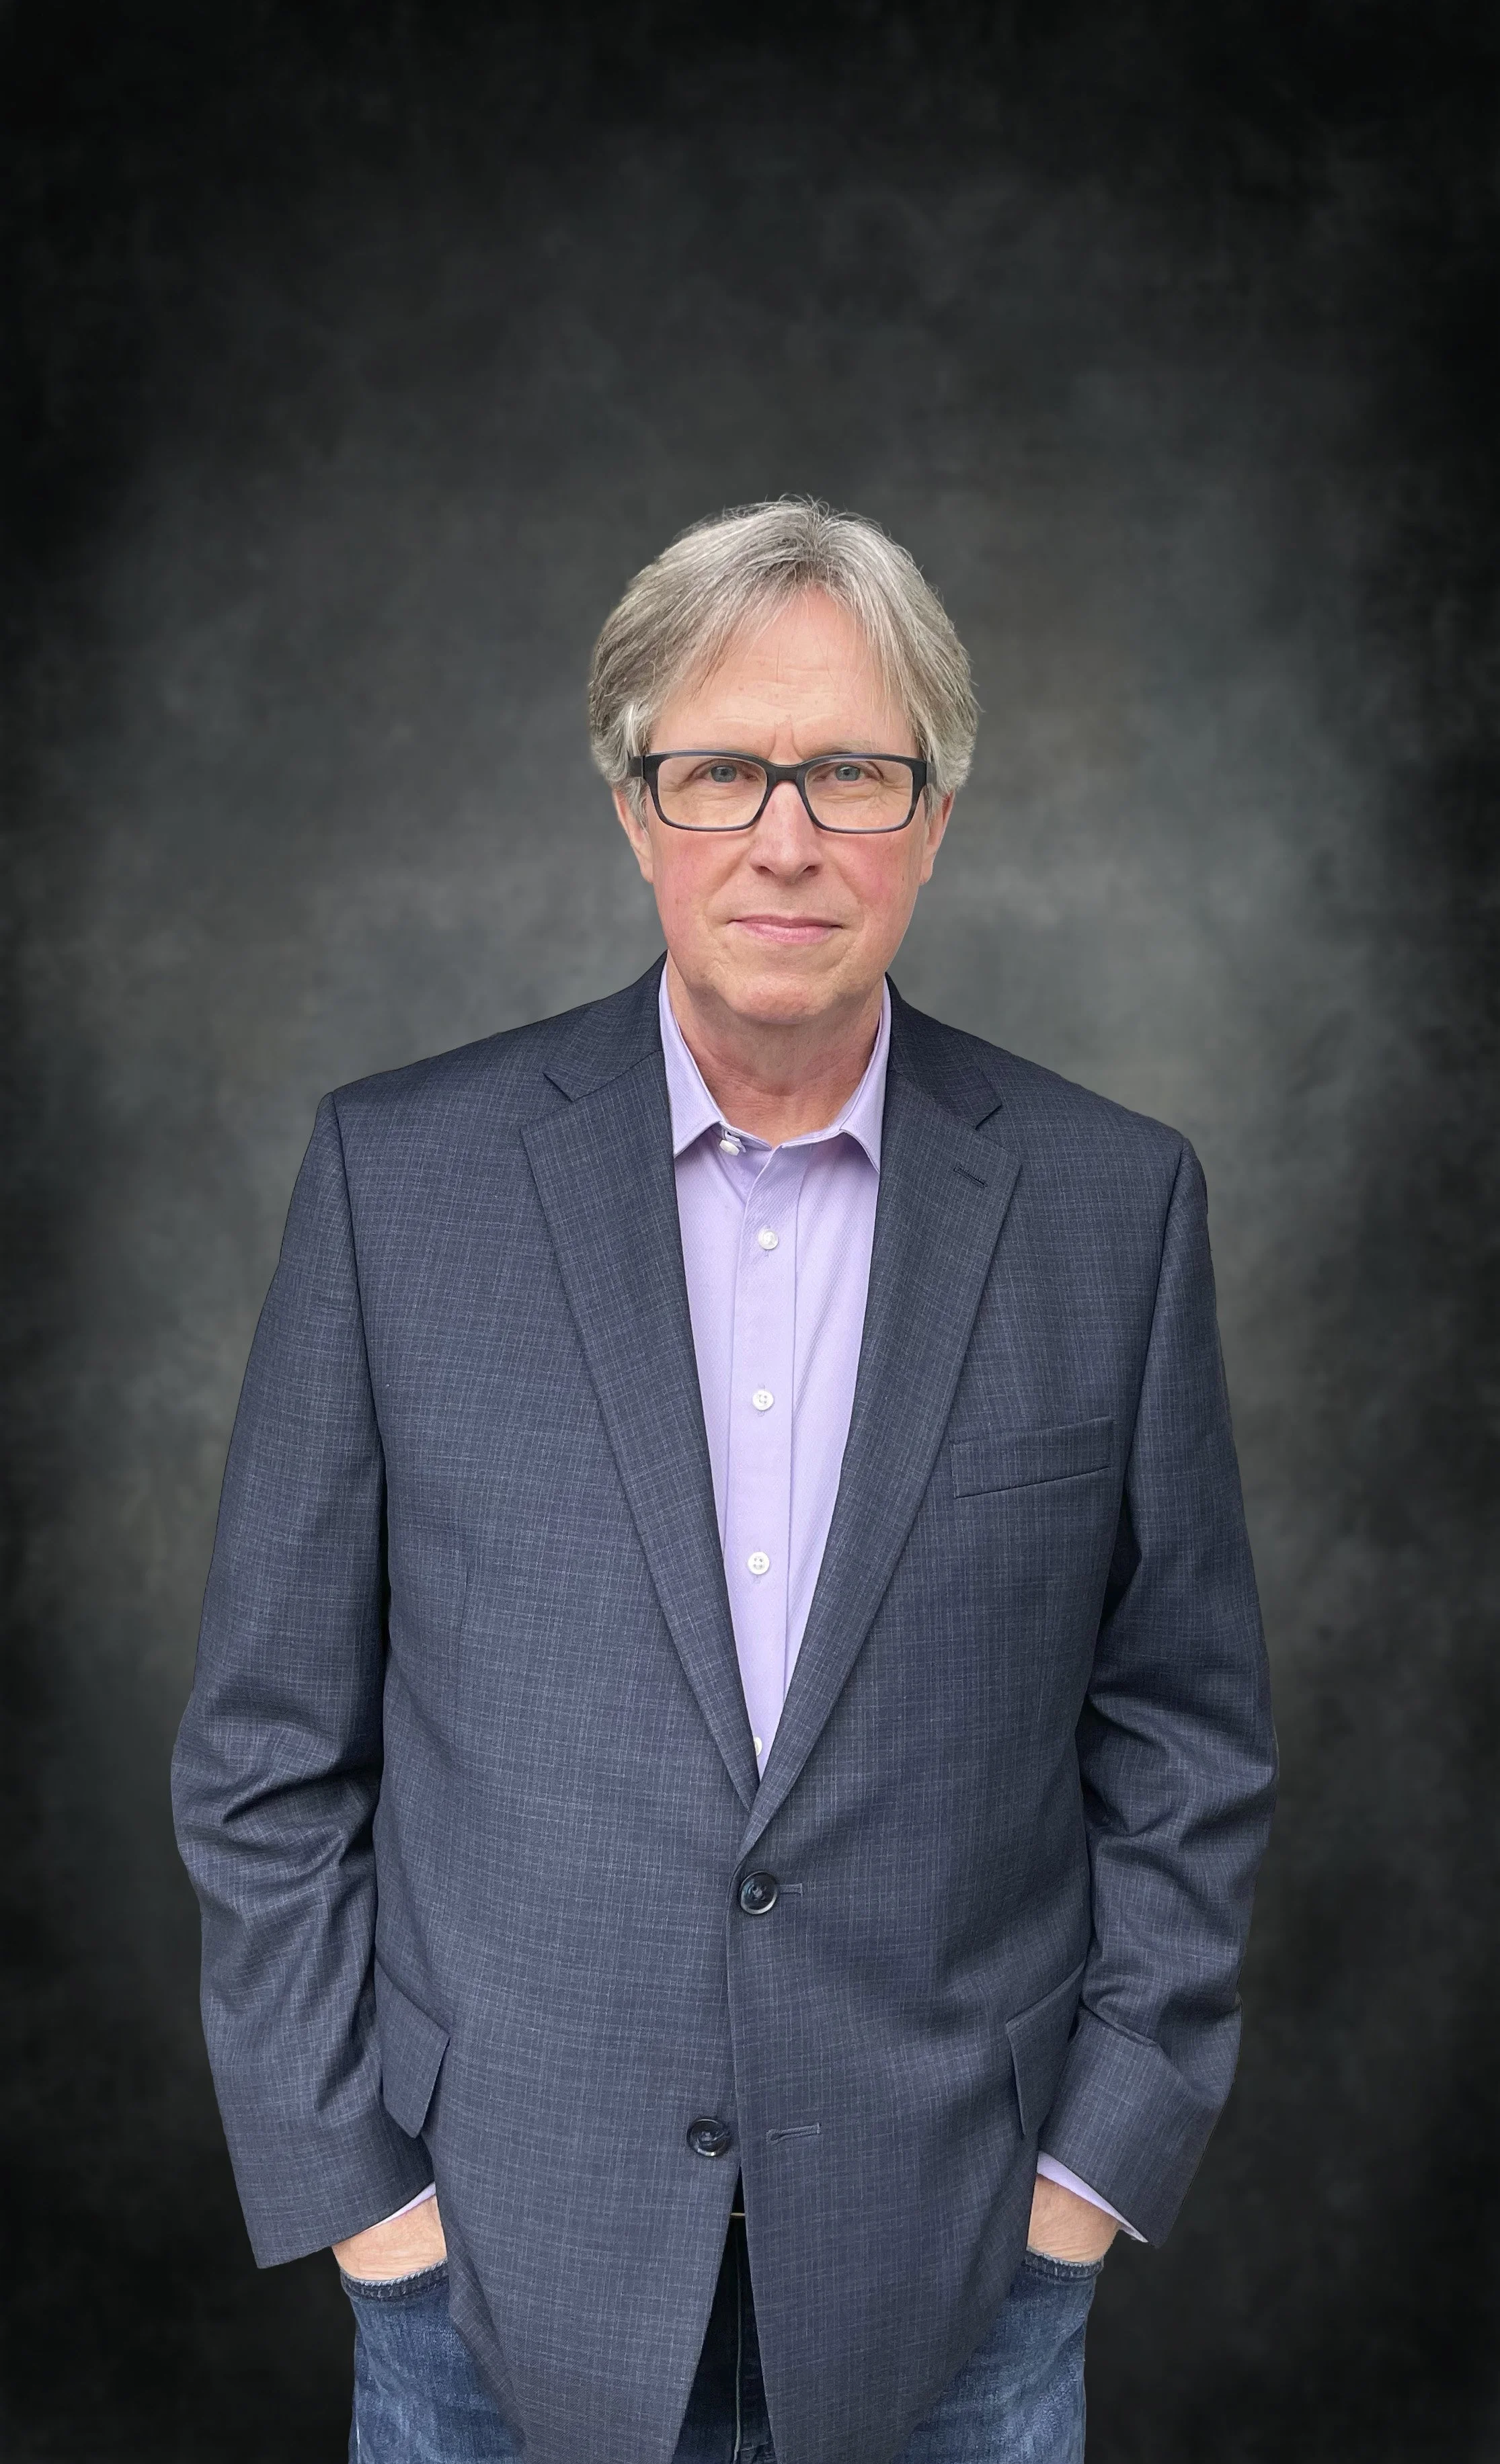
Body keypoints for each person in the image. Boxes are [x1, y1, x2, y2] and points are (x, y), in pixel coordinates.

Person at [172, 498, 1276, 2464]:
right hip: (486, 2289)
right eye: (720, 772)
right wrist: (362, 2201)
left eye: (849, 771)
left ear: (932, 814)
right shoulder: (402, 1187)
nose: (785, 835)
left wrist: (1088, 2179)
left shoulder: (1111, 1209)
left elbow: (1185, 1737)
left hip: (958, 2291)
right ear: (633, 808)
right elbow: (264, 1750)